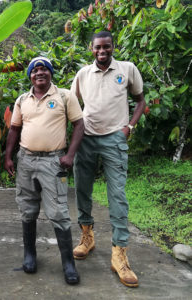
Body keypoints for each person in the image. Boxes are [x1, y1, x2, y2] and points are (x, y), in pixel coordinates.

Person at [70, 31, 146, 288]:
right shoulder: (82, 74)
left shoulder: (127, 69)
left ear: (113, 47)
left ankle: (119, 253)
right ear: (91, 49)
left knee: (118, 196)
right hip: (87, 139)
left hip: (115, 138)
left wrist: (129, 128)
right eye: (97, 48)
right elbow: (72, 105)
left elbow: (140, 100)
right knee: (82, 189)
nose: (102, 51)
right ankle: (87, 236)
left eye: (107, 47)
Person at [4, 57, 84, 284]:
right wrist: (8, 157)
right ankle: (30, 255)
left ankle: (68, 263)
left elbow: (79, 125)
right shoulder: (22, 100)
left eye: (44, 69)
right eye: (35, 70)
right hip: (26, 161)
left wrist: (70, 155)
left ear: (50, 73)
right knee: (27, 209)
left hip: (53, 162)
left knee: (58, 211)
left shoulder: (64, 96)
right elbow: (14, 130)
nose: (39, 73)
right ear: (30, 75)